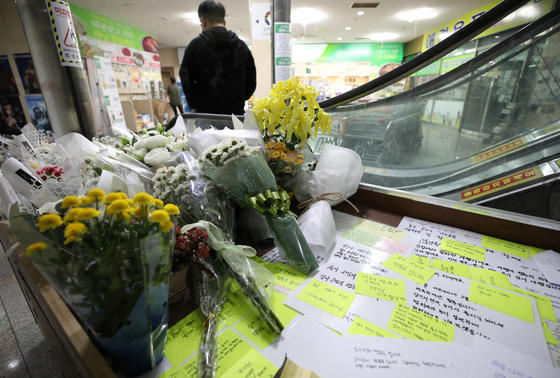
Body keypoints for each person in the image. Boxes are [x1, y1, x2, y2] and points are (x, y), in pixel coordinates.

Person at [180, 0, 256, 118]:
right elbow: (251, 81)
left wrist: (194, 104)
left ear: (203, 21)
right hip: (236, 116)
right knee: (236, 137)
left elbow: (186, 79)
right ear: (224, 22)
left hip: (206, 116)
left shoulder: (195, 46)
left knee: (206, 137)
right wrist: (239, 99)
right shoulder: (242, 47)